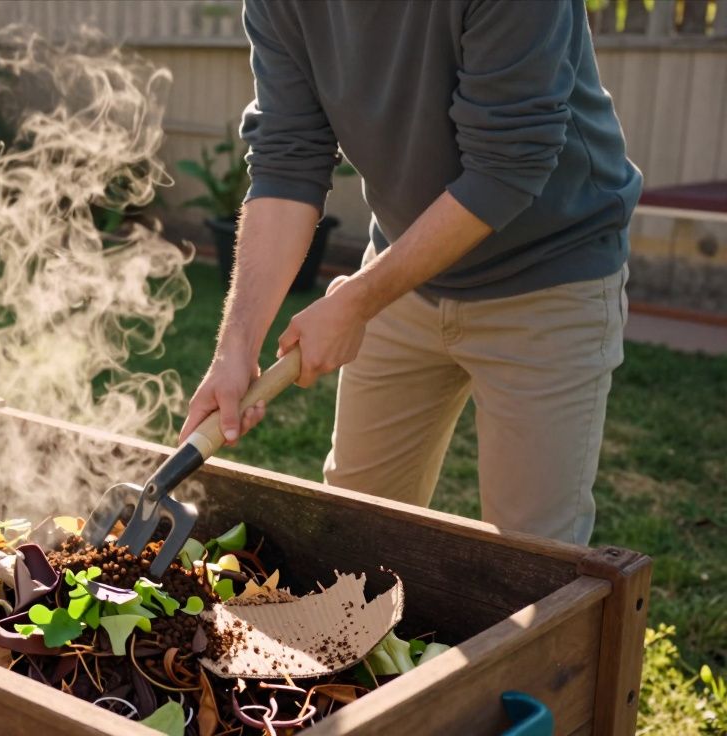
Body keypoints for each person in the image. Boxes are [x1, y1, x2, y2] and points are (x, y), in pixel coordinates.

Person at [179, 0, 642, 545]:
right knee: (354, 529)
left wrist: (357, 303)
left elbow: (507, 167)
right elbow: (287, 155)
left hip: (549, 276)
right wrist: (236, 346)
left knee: (536, 558)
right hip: (404, 274)